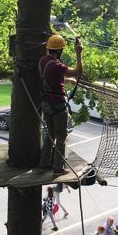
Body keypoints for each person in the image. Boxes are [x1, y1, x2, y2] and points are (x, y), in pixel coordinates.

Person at [39, 34, 83, 174]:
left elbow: (51, 75)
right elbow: (78, 72)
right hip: (57, 105)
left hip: (46, 102)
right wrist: (78, 54)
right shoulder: (58, 65)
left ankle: (44, 162)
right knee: (61, 136)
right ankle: (58, 167)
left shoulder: (43, 61)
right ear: (59, 50)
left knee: (50, 133)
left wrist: (67, 80)